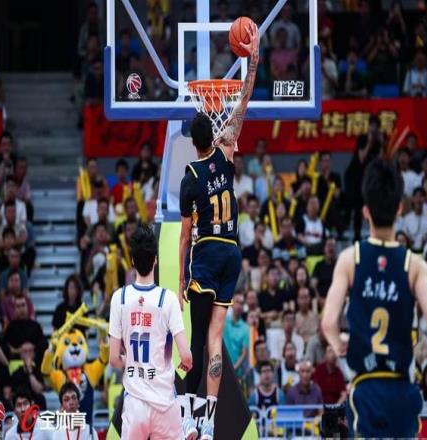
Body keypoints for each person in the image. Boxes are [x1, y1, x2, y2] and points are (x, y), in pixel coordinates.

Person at [322, 158, 427, 437]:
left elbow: (328, 322)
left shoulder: (351, 259)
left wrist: (340, 344)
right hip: (402, 387)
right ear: (400, 208)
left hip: (366, 388)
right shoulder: (414, 264)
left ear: (365, 211)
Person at [179, 23, 259, 440]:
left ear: (191, 142)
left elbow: (184, 235)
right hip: (233, 252)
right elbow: (243, 101)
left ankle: (189, 416)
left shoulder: (190, 176)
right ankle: (208, 420)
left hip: (208, 252)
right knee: (215, 338)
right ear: (214, 133)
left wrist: (181, 277)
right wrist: (253, 61)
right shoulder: (227, 149)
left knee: (197, 341)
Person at [108, 226, 191, 440]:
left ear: (132, 261)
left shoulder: (119, 298)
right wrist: (185, 363)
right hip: (164, 403)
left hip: (135, 403)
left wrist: (129, 360)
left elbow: (114, 360)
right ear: (156, 260)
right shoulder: (168, 299)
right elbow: (186, 356)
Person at [223, 292, 249, 379]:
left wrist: (233, 369)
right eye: (237, 302)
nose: (239, 306)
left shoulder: (245, 328)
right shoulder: (223, 321)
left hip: (236, 373)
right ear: (232, 303)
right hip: (220, 368)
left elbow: (244, 353)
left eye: (242, 303)